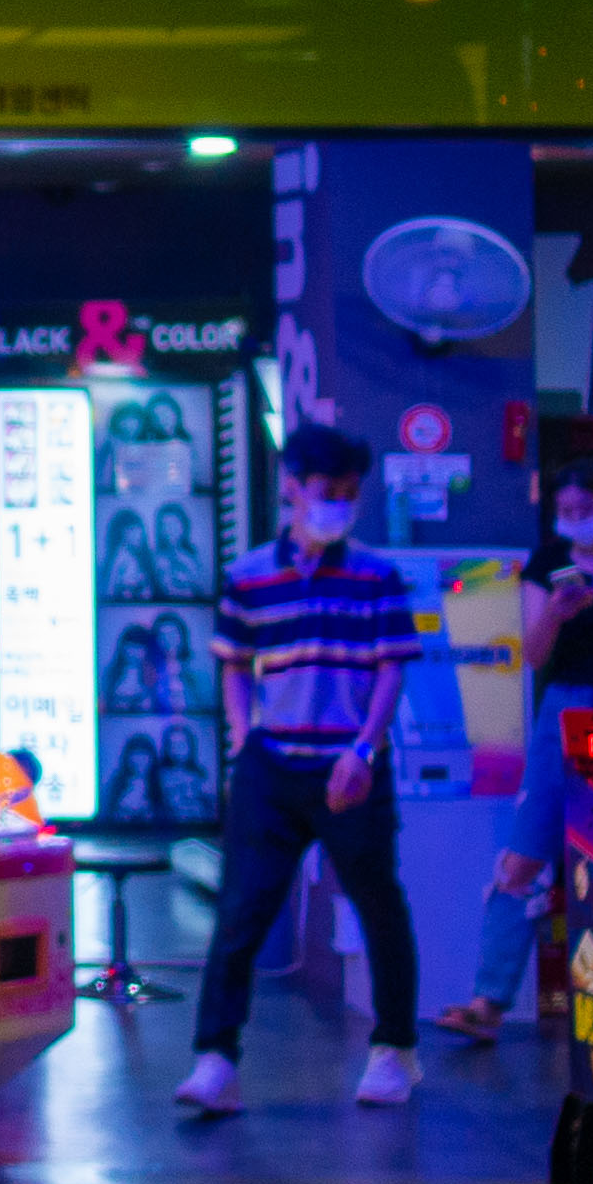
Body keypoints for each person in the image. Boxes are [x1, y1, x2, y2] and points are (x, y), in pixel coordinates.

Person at [178, 419, 428, 1115]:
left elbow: (390, 670)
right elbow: (233, 664)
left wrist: (365, 749)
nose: (338, 505)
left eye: (349, 494)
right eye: (327, 491)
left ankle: (395, 1049)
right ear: (292, 487)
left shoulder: (377, 576)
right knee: (241, 911)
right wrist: (243, 742)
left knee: (377, 903)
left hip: (351, 766)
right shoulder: (249, 576)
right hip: (273, 766)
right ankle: (215, 1060)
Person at [438, 462, 593, 1044]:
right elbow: (535, 655)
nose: (577, 521)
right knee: (525, 852)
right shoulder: (551, 563)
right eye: (567, 512)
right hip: (566, 707)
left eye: (588, 510)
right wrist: (558, 614)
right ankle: (488, 1001)